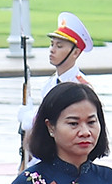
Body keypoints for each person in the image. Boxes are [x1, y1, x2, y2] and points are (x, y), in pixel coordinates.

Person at [16, 12, 93, 141]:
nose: (52, 49)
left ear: (75, 52)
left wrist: (31, 120)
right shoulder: (50, 83)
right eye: (52, 44)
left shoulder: (80, 88)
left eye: (59, 46)